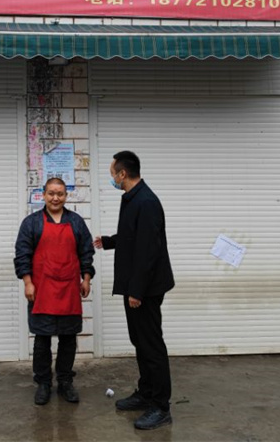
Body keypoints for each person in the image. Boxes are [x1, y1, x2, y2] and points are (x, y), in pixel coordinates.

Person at [93, 151, 175, 431]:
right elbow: (133, 236)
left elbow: (148, 251)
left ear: (122, 174)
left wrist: (137, 291)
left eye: (112, 174)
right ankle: (146, 393)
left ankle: (161, 407)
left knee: (151, 345)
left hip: (146, 289)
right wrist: (109, 241)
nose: (112, 179)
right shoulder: (133, 198)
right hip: (137, 285)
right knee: (139, 341)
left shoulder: (146, 201)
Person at [14, 177, 95, 405]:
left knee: (68, 339)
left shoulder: (76, 222)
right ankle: (43, 383)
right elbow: (22, 254)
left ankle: (65, 382)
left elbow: (86, 252)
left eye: (60, 193)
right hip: (42, 290)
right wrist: (28, 282)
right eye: (51, 193)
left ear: (66, 196)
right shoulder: (31, 223)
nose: (55, 198)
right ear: (44, 194)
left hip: (69, 288)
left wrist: (86, 278)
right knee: (42, 340)